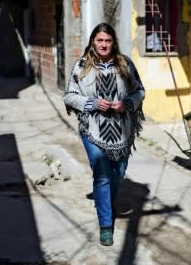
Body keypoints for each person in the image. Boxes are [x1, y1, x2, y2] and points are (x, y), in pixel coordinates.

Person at [63, 23, 145, 246]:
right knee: (102, 176)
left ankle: (107, 202)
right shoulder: (81, 66)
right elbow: (69, 96)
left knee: (118, 174)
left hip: (122, 130)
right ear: (93, 42)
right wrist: (92, 103)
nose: (103, 45)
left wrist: (126, 103)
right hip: (93, 129)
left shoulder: (125, 64)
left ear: (113, 42)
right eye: (99, 40)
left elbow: (140, 91)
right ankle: (106, 225)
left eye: (107, 41)